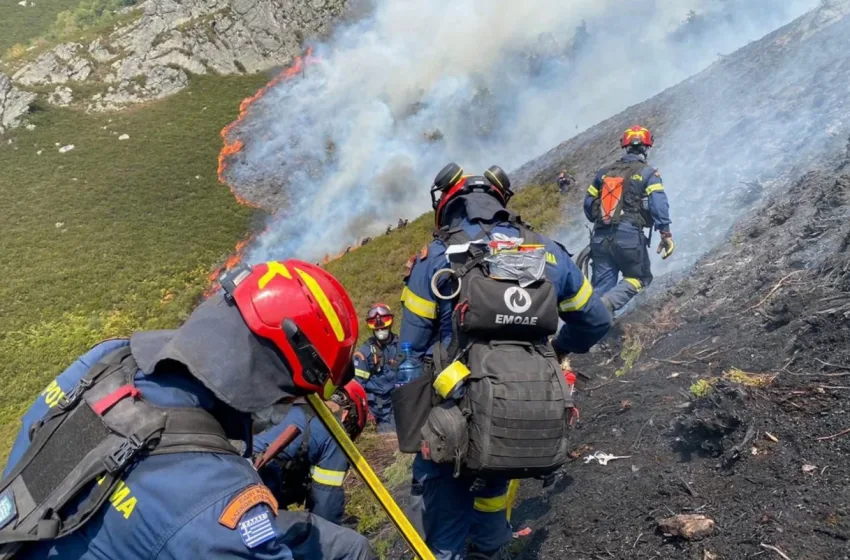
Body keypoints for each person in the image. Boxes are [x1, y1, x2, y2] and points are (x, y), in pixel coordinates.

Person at [0, 260, 373, 560]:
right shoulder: (221, 508)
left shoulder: (104, 361)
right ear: (269, 377)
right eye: (292, 397)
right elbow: (196, 519)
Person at [399, 163, 611, 559]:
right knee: (495, 483)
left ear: (447, 202)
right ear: (500, 200)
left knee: (442, 533)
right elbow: (596, 320)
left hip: (455, 415)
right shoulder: (547, 251)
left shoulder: (436, 258)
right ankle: (492, 547)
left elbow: (409, 353)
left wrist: (414, 432)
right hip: (524, 409)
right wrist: (558, 351)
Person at [583, 125, 674, 314]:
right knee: (639, 277)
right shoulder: (648, 173)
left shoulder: (604, 172)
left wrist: (602, 221)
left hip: (600, 236)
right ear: (647, 147)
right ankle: (608, 304)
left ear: (625, 146)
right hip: (629, 235)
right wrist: (665, 233)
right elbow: (658, 205)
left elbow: (588, 205)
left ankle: (594, 327)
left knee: (602, 284)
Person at [253, 380, 368, 525]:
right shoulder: (334, 431)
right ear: (346, 414)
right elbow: (326, 506)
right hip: (257, 492)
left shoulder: (286, 406)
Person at [353, 303, 400, 433]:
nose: (381, 330)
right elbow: (357, 388)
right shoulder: (364, 353)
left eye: (383, 325)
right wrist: (367, 413)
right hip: (379, 408)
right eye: (377, 328)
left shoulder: (400, 346)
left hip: (401, 403)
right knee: (388, 437)